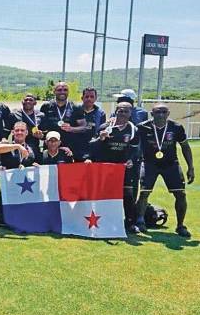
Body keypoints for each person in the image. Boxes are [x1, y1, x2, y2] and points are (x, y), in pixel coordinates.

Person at [136, 104, 195, 237]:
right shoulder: (142, 127)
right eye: (157, 112)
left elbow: (185, 146)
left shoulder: (176, 127)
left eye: (164, 112)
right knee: (144, 193)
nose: (161, 115)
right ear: (152, 114)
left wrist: (190, 167)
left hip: (171, 164)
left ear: (168, 113)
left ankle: (180, 226)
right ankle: (140, 222)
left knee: (180, 194)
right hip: (149, 164)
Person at [88, 103, 139, 232]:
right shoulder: (105, 127)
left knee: (127, 194)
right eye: (120, 111)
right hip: (105, 166)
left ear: (130, 113)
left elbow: (135, 150)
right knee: (104, 194)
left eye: (126, 112)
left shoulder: (133, 130)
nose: (122, 114)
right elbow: (92, 145)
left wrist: (131, 160)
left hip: (122, 168)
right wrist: (101, 138)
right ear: (115, 112)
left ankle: (130, 222)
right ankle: (102, 220)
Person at [39, 82, 85, 155]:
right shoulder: (46, 106)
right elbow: (41, 127)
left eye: (65, 90)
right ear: (54, 91)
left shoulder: (76, 107)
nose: (62, 92)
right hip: (50, 148)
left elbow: (83, 127)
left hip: (69, 149)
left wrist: (72, 128)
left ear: (68, 92)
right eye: (59, 90)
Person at [70, 87, 106, 161]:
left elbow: (100, 132)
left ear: (95, 98)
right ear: (82, 98)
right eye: (86, 96)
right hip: (75, 150)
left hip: (93, 150)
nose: (89, 99)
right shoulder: (75, 111)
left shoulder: (100, 113)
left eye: (92, 97)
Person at [12, 94, 44, 162]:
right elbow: (7, 131)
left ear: (35, 103)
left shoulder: (41, 115)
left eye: (31, 100)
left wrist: (41, 136)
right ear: (22, 102)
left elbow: (46, 133)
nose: (28, 101)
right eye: (26, 100)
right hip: (17, 148)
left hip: (34, 148)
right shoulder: (14, 114)